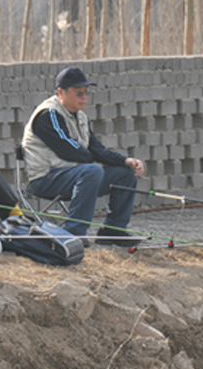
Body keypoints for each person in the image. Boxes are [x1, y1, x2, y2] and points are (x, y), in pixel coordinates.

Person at [22, 67, 144, 246]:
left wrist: (126, 160)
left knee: (125, 174)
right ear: (61, 92)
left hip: (77, 175)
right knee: (92, 171)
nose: (84, 97)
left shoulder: (81, 117)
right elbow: (69, 150)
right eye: (78, 93)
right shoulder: (48, 115)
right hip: (46, 178)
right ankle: (74, 233)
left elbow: (96, 148)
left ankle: (113, 230)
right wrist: (95, 161)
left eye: (86, 92)